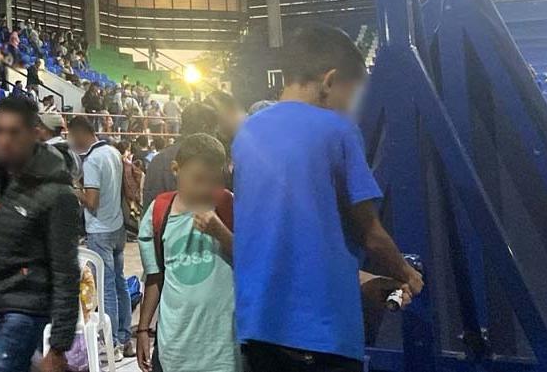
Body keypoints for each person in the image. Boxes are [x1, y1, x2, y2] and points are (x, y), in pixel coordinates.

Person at [232, 26, 422, 372]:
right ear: (329, 81)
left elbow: (288, 243)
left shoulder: (248, 134)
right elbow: (371, 234)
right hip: (323, 340)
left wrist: (363, 282)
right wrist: (406, 273)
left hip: (258, 335)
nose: (351, 107)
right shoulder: (337, 130)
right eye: (352, 95)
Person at [0, 96, 81, 372]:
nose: (4, 140)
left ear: (34, 134)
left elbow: (66, 270)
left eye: (14, 132)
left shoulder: (57, 193)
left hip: (27, 307)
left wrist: (60, 344)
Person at [134, 133, 236, 372]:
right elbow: (155, 276)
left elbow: (253, 262)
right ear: (176, 169)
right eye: (198, 179)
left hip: (223, 352)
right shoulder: (159, 212)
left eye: (215, 181)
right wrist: (143, 328)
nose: (206, 189)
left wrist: (220, 232)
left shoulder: (229, 207)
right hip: (174, 348)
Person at [67, 116, 133, 358]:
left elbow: (92, 202)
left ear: (81, 133)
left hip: (100, 230)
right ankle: (125, 338)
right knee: (120, 282)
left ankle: (112, 341)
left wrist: (74, 190)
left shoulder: (93, 160)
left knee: (106, 289)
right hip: (117, 227)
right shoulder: (113, 151)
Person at [143, 102, 219, 209]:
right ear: (205, 127)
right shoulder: (211, 162)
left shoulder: (158, 160)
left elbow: (148, 210)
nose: (216, 136)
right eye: (214, 131)